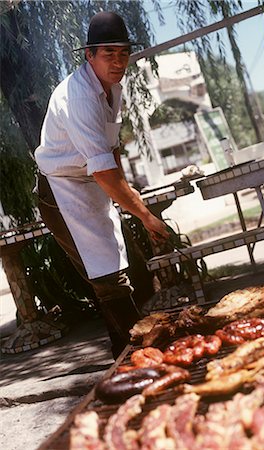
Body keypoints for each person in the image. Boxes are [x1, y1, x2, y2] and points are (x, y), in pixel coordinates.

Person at [34, 11, 169, 357]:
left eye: (123, 53)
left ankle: (130, 350)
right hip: (61, 189)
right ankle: (131, 356)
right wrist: (145, 215)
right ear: (89, 55)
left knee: (127, 265)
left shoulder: (113, 90)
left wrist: (132, 196)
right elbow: (104, 171)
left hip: (91, 181)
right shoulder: (78, 97)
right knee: (106, 276)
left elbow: (110, 152)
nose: (118, 61)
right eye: (109, 54)